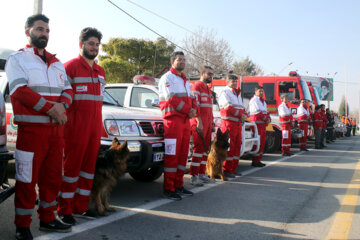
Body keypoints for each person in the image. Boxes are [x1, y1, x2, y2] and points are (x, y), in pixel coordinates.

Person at [5, 14, 73, 239]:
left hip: (56, 133)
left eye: (47, 30)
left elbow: (69, 90)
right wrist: (50, 109)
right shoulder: (17, 60)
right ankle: (22, 225)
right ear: (28, 32)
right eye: (39, 29)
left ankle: (48, 218)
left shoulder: (57, 63)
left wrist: (62, 105)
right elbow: (20, 91)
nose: (44, 34)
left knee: (52, 178)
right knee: (26, 179)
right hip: (31, 133)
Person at [57, 28, 105, 225]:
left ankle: (81, 207)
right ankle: (64, 209)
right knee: (71, 170)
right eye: (91, 43)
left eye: (97, 44)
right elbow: (62, 98)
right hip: (74, 129)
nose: (94, 48)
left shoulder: (100, 71)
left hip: (94, 129)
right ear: (81, 44)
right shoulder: (69, 67)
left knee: (88, 170)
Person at [158, 51, 198, 200]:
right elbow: (171, 98)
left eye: (183, 59)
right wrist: (189, 110)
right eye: (179, 59)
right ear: (172, 61)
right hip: (173, 122)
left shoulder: (185, 81)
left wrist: (194, 110)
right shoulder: (167, 78)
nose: (182, 61)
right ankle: (169, 188)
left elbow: (192, 98)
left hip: (185, 121)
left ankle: (179, 185)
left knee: (182, 156)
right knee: (172, 156)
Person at [190, 66, 215, 186]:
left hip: (208, 123)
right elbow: (195, 105)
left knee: (205, 150)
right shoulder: (196, 86)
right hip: (199, 123)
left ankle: (202, 174)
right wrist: (198, 120)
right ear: (202, 73)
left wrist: (212, 122)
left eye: (212, 74)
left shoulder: (208, 89)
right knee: (199, 149)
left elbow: (210, 109)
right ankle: (194, 176)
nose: (211, 76)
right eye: (209, 74)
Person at [218, 73, 246, 178]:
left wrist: (244, 115)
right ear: (227, 82)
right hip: (229, 124)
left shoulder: (237, 94)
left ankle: (233, 169)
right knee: (229, 148)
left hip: (237, 124)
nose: (234, 83)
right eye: (232, 81)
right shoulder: (225, 92)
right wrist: (240, 115)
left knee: (236, 147)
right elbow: (228, 107)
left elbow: (242, 108)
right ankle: (226, 170)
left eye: (236, 81)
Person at [249, 86, 270, 167]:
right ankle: (255, 161)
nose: (261, 93)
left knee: (262, 143)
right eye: (259, 91)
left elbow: (266, 112)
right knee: (257, 143)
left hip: (263, 125)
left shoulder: (263, 102)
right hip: (257, 125)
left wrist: (268, 118)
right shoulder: (254, 100)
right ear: (255, 92)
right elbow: (257, 113)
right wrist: (266, 119)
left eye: (262, 91)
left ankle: (258, 160)